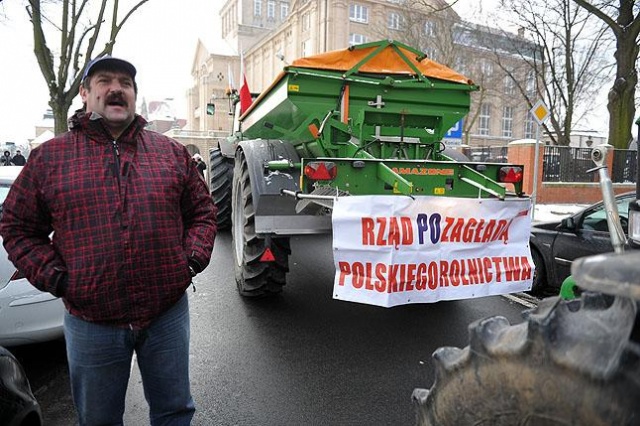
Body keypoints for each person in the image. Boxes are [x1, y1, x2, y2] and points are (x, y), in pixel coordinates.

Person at [0, 55, 217, 425]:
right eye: (104, 81)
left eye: (126, 83)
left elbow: (203, 213)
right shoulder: (50, 158)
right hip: (92, 322)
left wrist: (190, 262)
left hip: (165, 314)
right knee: (98, 419)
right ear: (85, 93)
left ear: (134, 95)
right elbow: (17, 226)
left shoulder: (170, 153)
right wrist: (58, 278)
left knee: (175, 412)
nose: (116, 88)